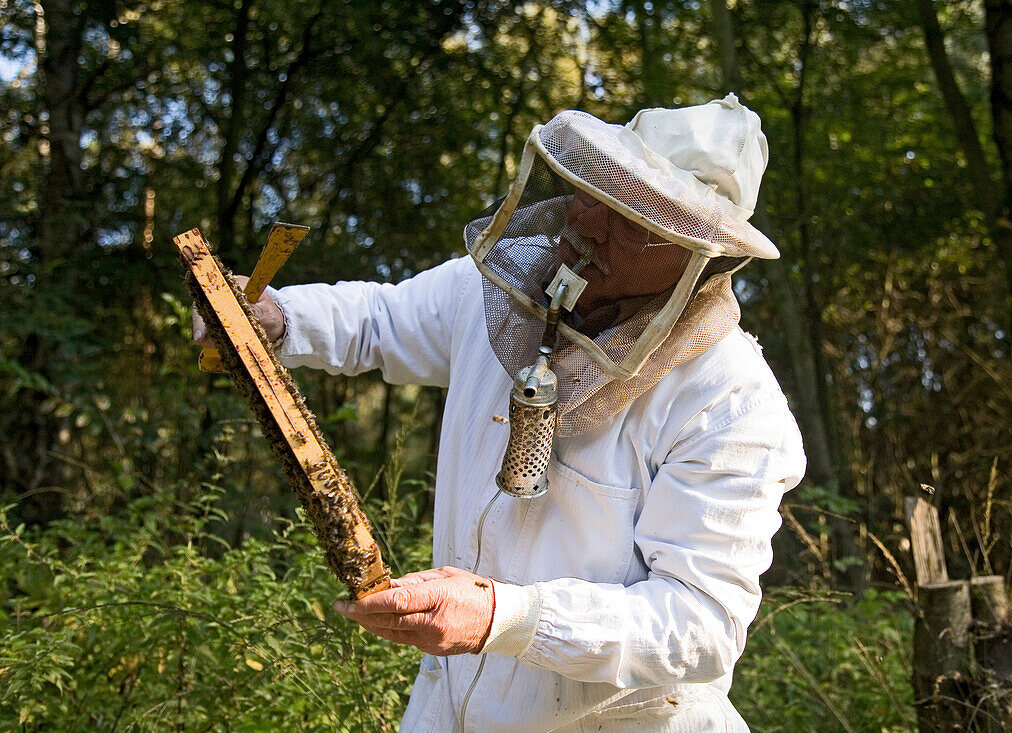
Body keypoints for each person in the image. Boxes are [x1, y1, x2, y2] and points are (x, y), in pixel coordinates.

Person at [195, 93, 805, 732]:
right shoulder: (502, 288)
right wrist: (278, 316)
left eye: (634, 218)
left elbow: (700, 624)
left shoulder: (731, 406)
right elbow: (379, 320)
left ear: (695, 251)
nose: (589, 220)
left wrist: (503, 617)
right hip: (448, 707)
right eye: (595, 188)